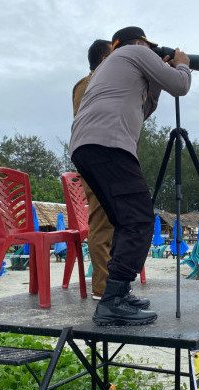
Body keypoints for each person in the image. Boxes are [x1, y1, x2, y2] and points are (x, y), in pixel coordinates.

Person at [70, 26, 191, 326]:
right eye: (146, 47)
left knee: (124, 222)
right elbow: (181, 85)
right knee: (140, 220)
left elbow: (143, 110)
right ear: (137, 43)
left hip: (85, 148)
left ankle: (118, 293)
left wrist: (156, 77)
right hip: (110, 144)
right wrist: (183, 63)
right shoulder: (133, 51)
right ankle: (111, 301)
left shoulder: (106, 70)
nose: (149, 51)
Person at [72, 39, 114, 301]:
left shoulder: (88, 84)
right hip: (97, 161)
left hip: (100, 160)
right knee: (102, 222)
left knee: (112, 221)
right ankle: (102, 286)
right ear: (103, 60)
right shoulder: (90, 85)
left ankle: (111, 282)